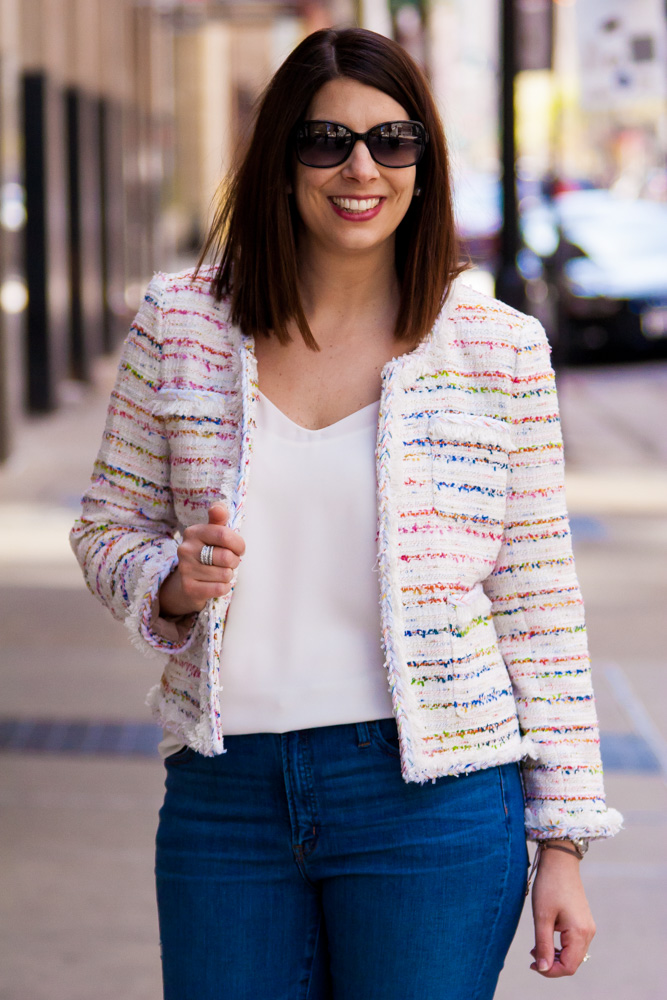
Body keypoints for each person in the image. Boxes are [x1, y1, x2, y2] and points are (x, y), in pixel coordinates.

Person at [71, 27, 622, 1000]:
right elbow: (106, 524)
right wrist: (171, 581)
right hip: (225, 792)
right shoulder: (182, 322)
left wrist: (563, 841)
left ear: (423, 160)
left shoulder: (495, 349)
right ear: (281, 158)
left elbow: (537, 604)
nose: (359, 166)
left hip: (433, 803)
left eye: (391, 139)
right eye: (325, 140)